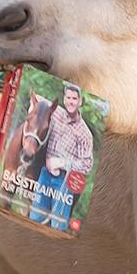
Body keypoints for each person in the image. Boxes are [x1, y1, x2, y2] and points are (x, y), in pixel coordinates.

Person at [28, 83, 94, 230]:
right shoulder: (56, 112)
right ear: (64, 99)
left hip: (64, 181)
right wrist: (32, 110)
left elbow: (87, 165)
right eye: (68, 97)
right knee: (35, 217)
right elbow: (36, 98)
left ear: (80, 101)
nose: (71, 101)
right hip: (45, 175)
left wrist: (62, 163)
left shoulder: (85, 133)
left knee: (57, 225)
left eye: (74, 99)